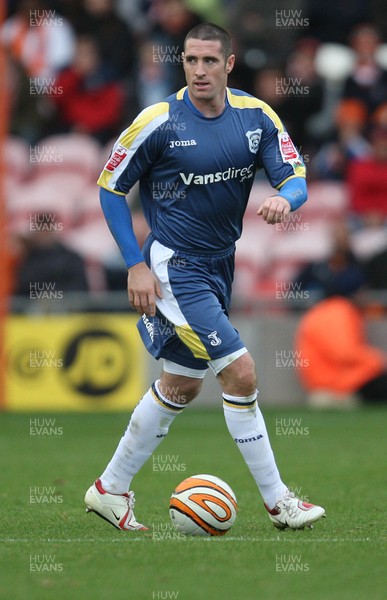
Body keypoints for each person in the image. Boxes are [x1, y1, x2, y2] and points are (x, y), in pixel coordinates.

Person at [84, 23, 325, 531]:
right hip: (176, 266)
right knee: (240, 373)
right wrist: (135, 265)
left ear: (229, 65)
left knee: (180, 384)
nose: (199, 70)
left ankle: (110, 490)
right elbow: (109, 188)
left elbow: (294, 173)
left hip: (221, 263)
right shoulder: (159, 121)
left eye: (210, 61)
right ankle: (280, 503)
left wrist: (287, 197)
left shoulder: (255, 117)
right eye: (191, 60)